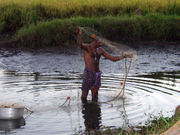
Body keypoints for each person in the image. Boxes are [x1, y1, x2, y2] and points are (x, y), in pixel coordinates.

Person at [77, 27, 133, 102]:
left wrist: (124, 56)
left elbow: (112, 58)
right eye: (100, 42)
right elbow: (80, 44)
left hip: (97, 74)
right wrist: (79, 34)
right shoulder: (87, 47)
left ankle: (95, 110)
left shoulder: (100, 50)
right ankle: (85, 109)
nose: (101, 43)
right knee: (84, 94)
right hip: (88, 73)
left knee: (95, 94)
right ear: (95, 41)